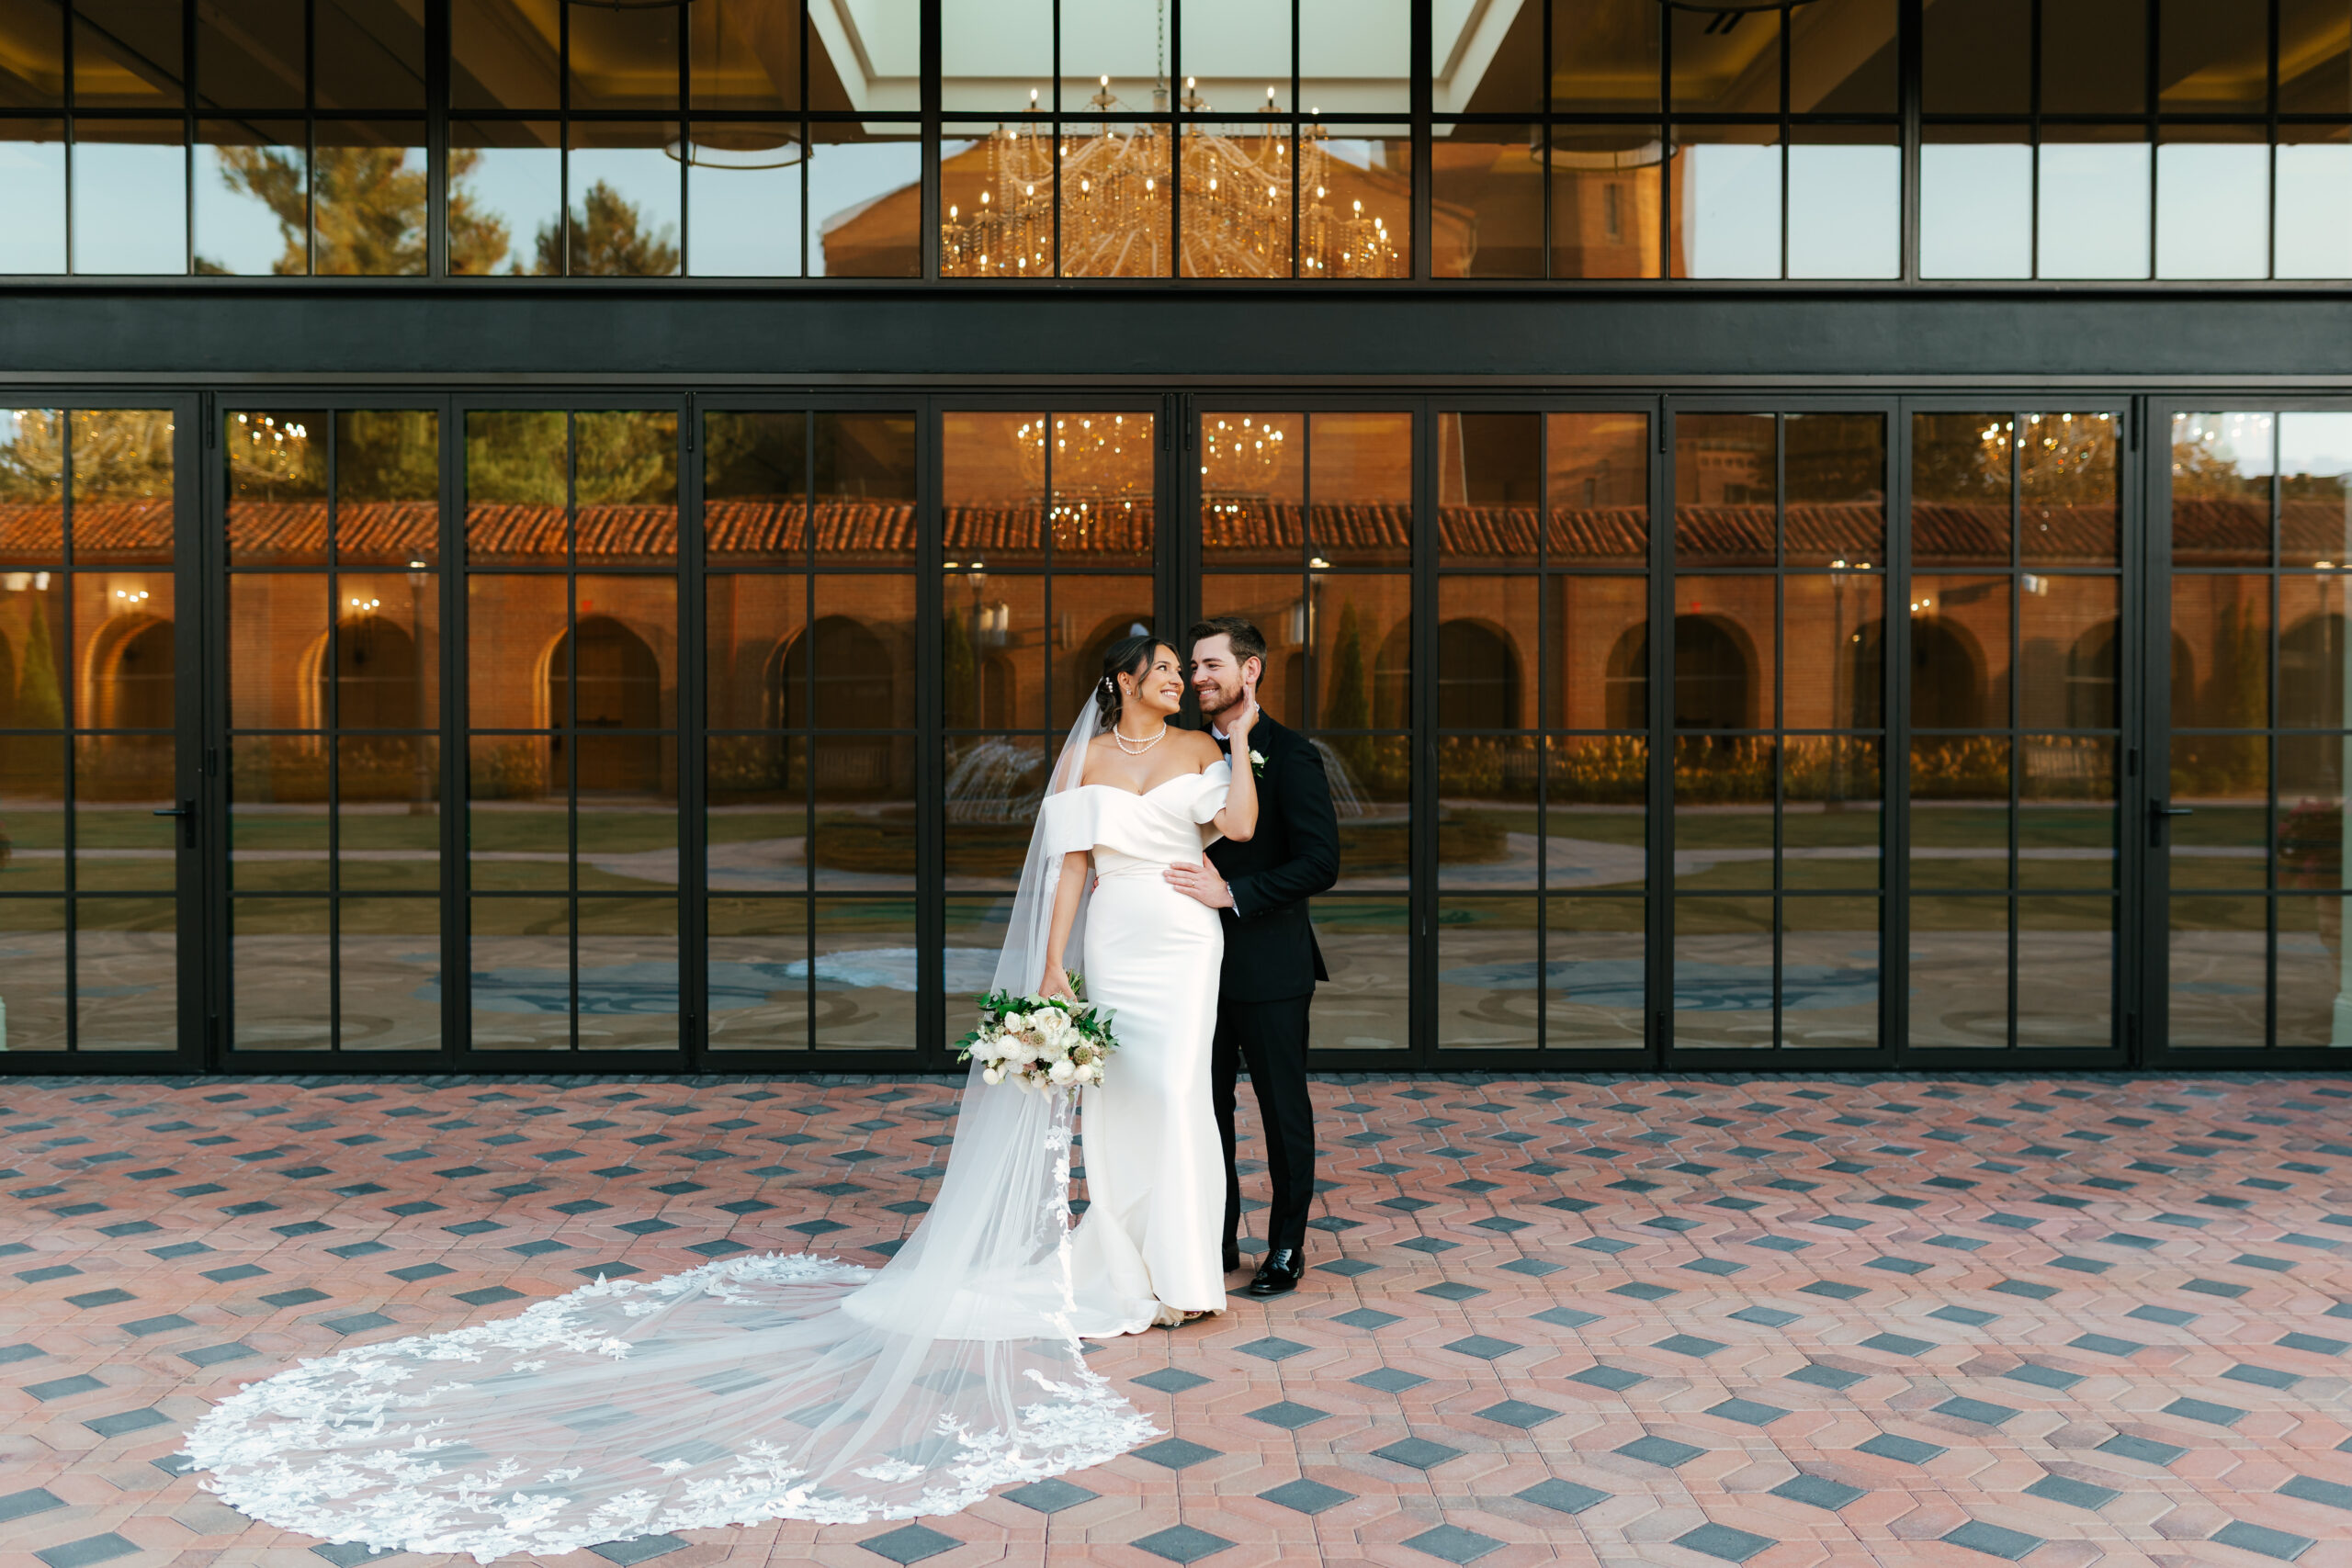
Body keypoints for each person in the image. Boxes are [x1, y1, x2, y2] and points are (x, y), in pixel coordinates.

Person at [181, 636, 1252, 1559]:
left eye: (1182, 673)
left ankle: (1185, 1271)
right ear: (1120, 678)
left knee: (1182, 1105)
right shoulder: (1087, 757)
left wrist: (1241, 741)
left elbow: (1235, 828)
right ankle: (1125, 1269)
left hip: (1183, 943)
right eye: (1163, 670)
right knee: (1116, 1114)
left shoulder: (1205, 747)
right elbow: (1067, 871)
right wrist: (1053, 968)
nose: (1177, 684)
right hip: (1112, 943)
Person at [1164, 617, 1340, 1299]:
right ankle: (1214, 1238)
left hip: (1269, 964)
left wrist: (1232, 891)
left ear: (1250, 670)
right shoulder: (1180, 754)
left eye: (1211, 665)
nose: (1197, 678)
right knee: (1204, 1110)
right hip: (1187, 966)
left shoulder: (1289, 753)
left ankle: (1287, 1246)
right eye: (1192, 668)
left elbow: (1320, 862)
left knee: (1280, 1109)